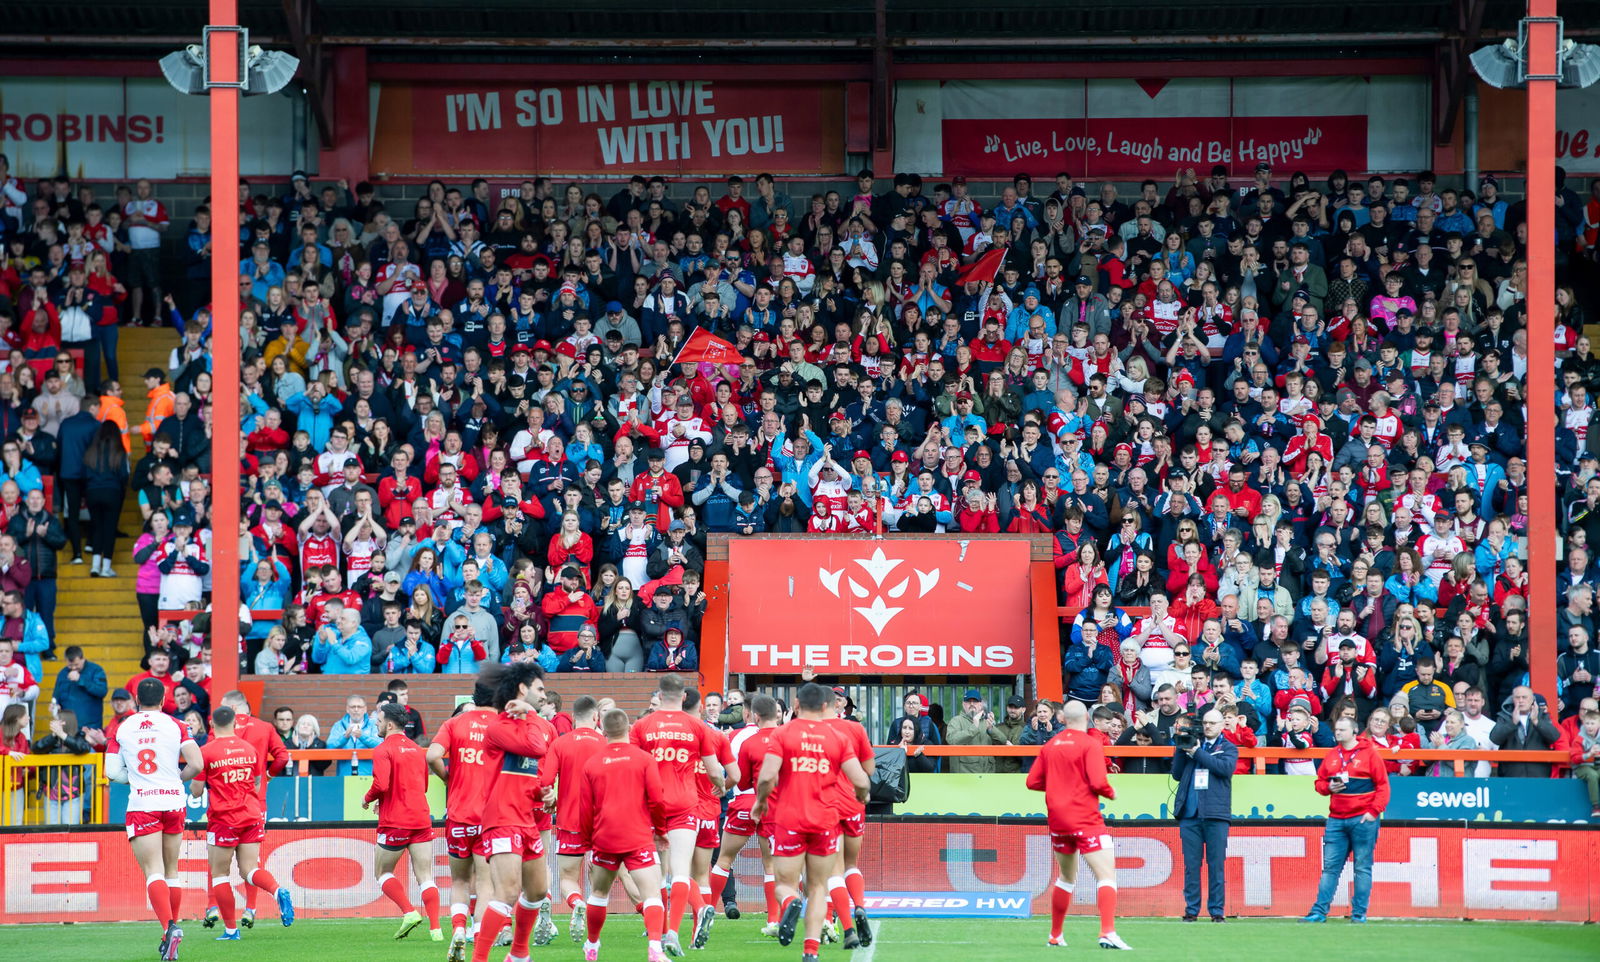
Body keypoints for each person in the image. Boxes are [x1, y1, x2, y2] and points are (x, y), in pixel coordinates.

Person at [751, 682, 870, 961]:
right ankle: (811, 951)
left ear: (796, 704)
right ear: (826, 706)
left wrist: (761, 801)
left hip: (790, 818)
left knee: (785, 883)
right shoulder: (837, 737)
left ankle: (791, 903)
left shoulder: (782, 733)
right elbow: (861, 780)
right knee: (818, 886)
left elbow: (767, 777)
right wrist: (862, 795)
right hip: (825, 820)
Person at [105, 677, 204, 961]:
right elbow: (196, 764)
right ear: (163, 700)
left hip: (144, 802)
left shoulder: (122, 727)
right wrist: (177, 779)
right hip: (173, 800)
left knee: (153, 870)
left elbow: (111, 772)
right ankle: (170, 932)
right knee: (171, 870)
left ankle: (168, 927)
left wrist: (136, 779)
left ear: (137, 700)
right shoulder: (177, 725)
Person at [630, 673, 725, 955]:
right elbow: (713, 770)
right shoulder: (697, 726)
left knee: (657, 874)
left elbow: (634, 766)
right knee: (682, 870)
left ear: (659, 695)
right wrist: (719, 786)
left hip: (650, 805)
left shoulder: (642, 725)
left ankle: (659, 933)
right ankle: (673, 933)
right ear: (684, 697)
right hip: (685, 803)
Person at [470, 661, 558, 962]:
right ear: (523, 689)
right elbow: (537, 748)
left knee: (537, 891)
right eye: (540, 689)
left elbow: (518, 774)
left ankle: (518, 954)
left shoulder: (523, 724)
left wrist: (541, 792)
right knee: (507, 892)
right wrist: (531, 714)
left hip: (526, 819)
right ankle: (479, 958)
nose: (544, 695)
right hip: (503, 819)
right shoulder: (500, 726)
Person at [1024, 701, 1129, 950]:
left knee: (1065, 877)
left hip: (1058, 820)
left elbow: (1031, 781)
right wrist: (1110, 792)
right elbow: (1097, 782)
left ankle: (1055, 935)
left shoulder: (1050, 745)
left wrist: (1058, 786)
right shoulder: (1090, 744)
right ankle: (1107, 932)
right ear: (1087, 718)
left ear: (1063, 719)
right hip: (1084, 817)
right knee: (1106, 875)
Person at [188, 706, 295, 942]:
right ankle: (278, 891)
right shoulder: (249, 749)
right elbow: (257, 784)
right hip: (251, 814)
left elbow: (196, 791)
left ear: (213, 725)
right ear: (235, 724)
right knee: (249, 870)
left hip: (224, 818)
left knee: (220, 875)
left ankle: (230, 930)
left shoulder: (206, 751)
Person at [575, 707, 671, 962]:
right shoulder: (644, 759)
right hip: (638, 835)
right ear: (629, 729)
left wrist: (587, 840)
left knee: (599, 894)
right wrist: (660, 831)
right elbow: (658, 799)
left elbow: (585, 807)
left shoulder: (592, 763)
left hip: (605, 836)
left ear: (603, 730)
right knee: (651, 894)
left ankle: (592, 945)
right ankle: (655, 949)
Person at [362, 702, 443, 942]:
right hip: (420, 818)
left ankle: (409, 912)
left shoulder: (382, 750)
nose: (375, 724)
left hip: (395, 821)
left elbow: (382, 785)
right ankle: (436, 930)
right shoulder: (418, 750)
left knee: (382, 872)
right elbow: (424, 786)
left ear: (388, 725)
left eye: (378, 721)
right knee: (425, 875)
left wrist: (368, 799)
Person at [426, 685, 496, 960]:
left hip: (457, 814)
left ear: (473, 699)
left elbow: (432, 755)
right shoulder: (503, 725)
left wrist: (446, 777)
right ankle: (479, 940)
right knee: (486, 885)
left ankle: (458, 929)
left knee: (459, 881)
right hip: (490, 817)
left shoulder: (454, 723)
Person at [1301, 716, 1390, 923]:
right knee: (1330, 868)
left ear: (1354, 732)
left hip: (1362, 818)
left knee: (1362, 867)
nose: (1338, 733)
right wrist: (1328, 788)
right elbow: (1319, 783)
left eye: (1342, 729)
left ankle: (1358, 913)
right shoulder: (1332, 755)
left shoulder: (1370, 754)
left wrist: (1373, 812)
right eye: (1336, 729)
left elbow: (1383, 786)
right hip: (1336, 819)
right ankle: (1319, 911)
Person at [710, 694, 782, 934]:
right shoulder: (787, 738)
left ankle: (706, 911)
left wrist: (721, 788)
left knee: (724, 859)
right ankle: (773, 919)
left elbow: (737, 778)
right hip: (776, 804)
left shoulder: (738, 737)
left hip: (743, 801)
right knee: (771, 864)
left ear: (750, 714)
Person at [537, 695, 606, 940]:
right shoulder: (605, 743)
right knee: (602, 880)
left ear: (574, 717)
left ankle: (576, 902)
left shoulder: (560, 743)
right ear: (596, 717)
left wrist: (551, 799)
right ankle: (652, 919)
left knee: (567, 877)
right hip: (602, 821)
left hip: (570, 819)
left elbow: (545, 782)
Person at [1171, 709, 1237, 922]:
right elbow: (1176, 774)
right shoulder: (1190, 744)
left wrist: (1197, 752)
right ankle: (1191, 910)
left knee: (1216, 865)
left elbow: (1224, 769)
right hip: (1190, 814)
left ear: (1221, 726)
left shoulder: (1228, 747)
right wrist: (1182, 747)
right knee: (1191, 865)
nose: (1207, 726)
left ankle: (1216, 911)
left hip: (1215, 814)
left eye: (1212, 723)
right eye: (1205, 723)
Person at [81, 419, 129, 577]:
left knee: (97, 528)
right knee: (109, 529)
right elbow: (123, 476)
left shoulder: (91, 451)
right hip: (112, 492)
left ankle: (94, 566)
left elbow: (85, 475)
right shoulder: (119, 452)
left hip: (92, 492)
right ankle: (105, 567)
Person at [1489, 686, 1565, 776]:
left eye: (1524, 697)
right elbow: (1495, 738)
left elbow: (1554, 737)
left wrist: (1536, 722)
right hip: (1511, 774)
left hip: (1538, 774)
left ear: (1532, 699)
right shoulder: (1505, 716)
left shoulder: (1542, 716)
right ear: (1512, 699)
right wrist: (1512, 723)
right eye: (1517, 697)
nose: (1521, 700)